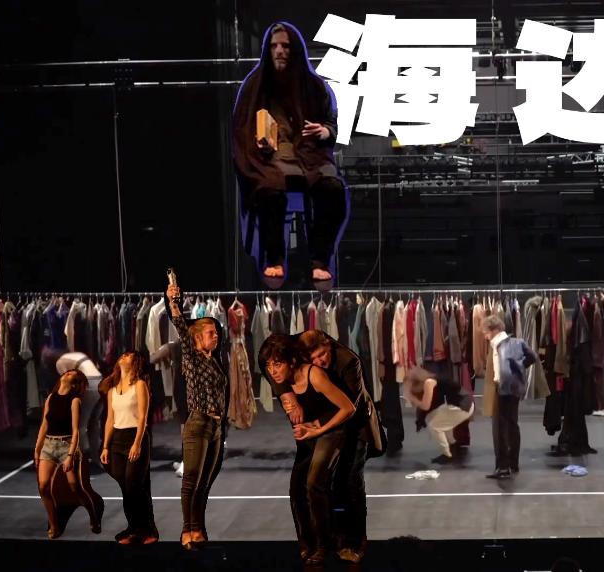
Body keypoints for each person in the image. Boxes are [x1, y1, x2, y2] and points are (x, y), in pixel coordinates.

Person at [232, 21, 348, 290]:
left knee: (333, 188)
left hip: (310, 155)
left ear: (294, 50)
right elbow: (241, 129)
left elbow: (330, 123)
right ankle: (274, 259)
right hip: (272, 160)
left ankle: (320, 260)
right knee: (269, 189)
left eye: (285, 46)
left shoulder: (314, 85)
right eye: (274, 46)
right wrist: (257, 145)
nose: (280, 51)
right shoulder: (255, 86)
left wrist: (324, 131)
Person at [260, 333, 355, 566]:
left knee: (314, 483)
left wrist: (318, 428)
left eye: (277, 364)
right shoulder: (283, 378)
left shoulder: (315, 375)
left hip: (332, 430)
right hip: (310, 434)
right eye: (269, 365)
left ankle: (325, 544)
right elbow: (271, 371)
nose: (272, 371)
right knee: (297, 488)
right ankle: (307, 542)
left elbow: (348, 408)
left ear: (292, 361)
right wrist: (288, 397)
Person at [296, 329, 371, 563]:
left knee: (351, 481)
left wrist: (317, 425)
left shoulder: (349, 362)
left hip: (356, 427)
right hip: (332, 428)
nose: (320, 361)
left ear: (328, 345)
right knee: (324, 483)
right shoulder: (310, 366)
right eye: (314, 359)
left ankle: (356, 541)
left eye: (322, 354)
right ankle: (333, 539)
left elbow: (352, 405)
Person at [166, 282, 229, 550]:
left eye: (216, 332)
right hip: (198, 423)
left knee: (205, 482)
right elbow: (181, 326)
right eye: (211, 333)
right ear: (197, 338)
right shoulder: (192, 356)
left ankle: (199, 527)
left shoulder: (214, 360)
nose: (216, 336)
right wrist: (173, 301)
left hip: (215, 426)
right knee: (191, 479)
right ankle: (187, 530)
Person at [33, 369, 102, 539]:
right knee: (43, 486)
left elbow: (75, 430)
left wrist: (70, 456)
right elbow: (44, 425)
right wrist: (37, 449)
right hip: (49, 445)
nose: (66, 374)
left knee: (75, 487)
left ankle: (93, 516)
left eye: (71, 374)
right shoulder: (51, 398)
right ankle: (54, 525)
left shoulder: (74, 400)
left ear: (74, 383)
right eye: (66, 373)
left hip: (67, 445)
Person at [99, 351, 158, 545]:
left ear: (135, 362)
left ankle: (145, 529)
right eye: (122, 355)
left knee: (134, 484)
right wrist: (105, 446)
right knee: (125, 485)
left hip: (135, 437)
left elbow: (142, 417)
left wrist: (137, 443)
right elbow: (110, 420)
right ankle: (133, 526)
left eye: (128, 355)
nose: (123, 357)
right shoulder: (113, 389)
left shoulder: (140, 385)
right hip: (117, 439)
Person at [482, 315, 538, 480]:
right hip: (513, 388)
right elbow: (532, 357)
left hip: (503, 389)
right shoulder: (516, 342)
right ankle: (512, 464)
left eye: (486, 332)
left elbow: (505, 370)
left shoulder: (498, 344)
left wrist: (517, 368)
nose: (485, 336)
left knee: (500, 428)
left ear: (494, 330)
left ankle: (503, 467)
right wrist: (519, 367)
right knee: (512, 425)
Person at [404, 366, 475, 464]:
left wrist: (411, 397)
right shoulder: (431, 379)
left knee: (434, 427)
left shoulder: (429, 383)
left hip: (463, 405)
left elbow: (425, 406)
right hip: (461, 403)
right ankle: (453, 445)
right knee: (440, 418)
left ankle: (447, 455)